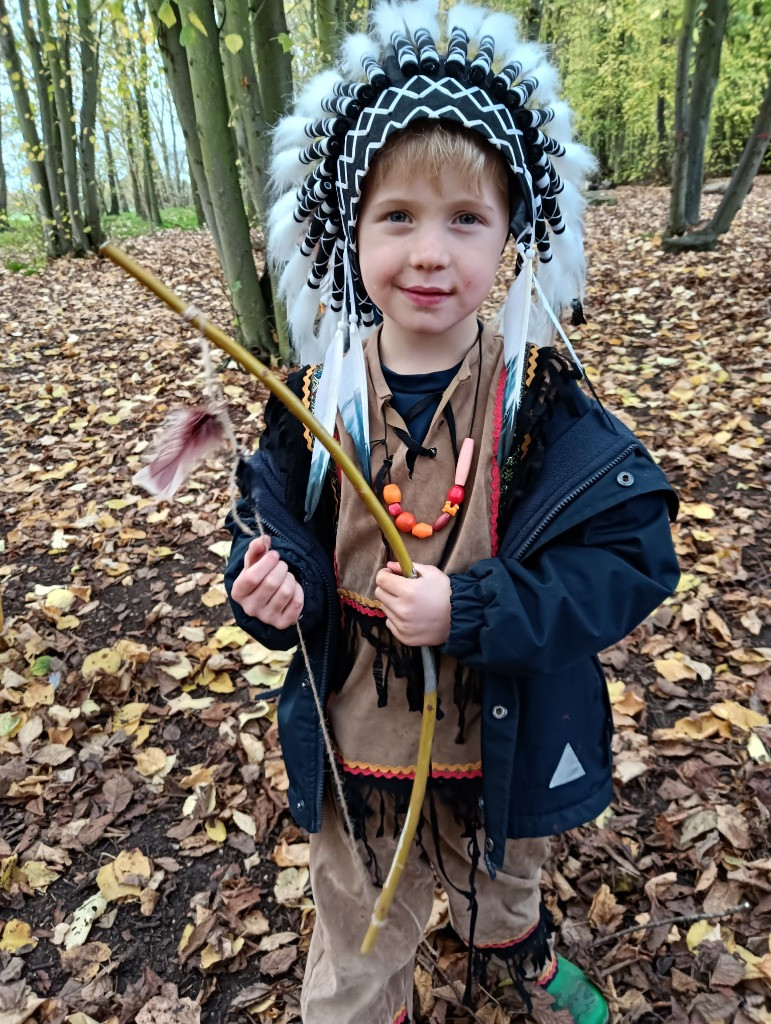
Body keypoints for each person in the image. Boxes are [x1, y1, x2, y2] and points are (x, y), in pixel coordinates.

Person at [225, 4, 679, 1023]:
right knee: (357, 933)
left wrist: (471, 611)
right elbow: (268, 536)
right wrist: (267, 590)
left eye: (465, 220)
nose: (430, 252)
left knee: (498, 887)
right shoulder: (314, 402)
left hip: (498, 747)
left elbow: (630, 559)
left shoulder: (542, 406)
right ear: (351, 229)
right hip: (357, 753)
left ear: (514, 235)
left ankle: (515, 944)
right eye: (398, 217)